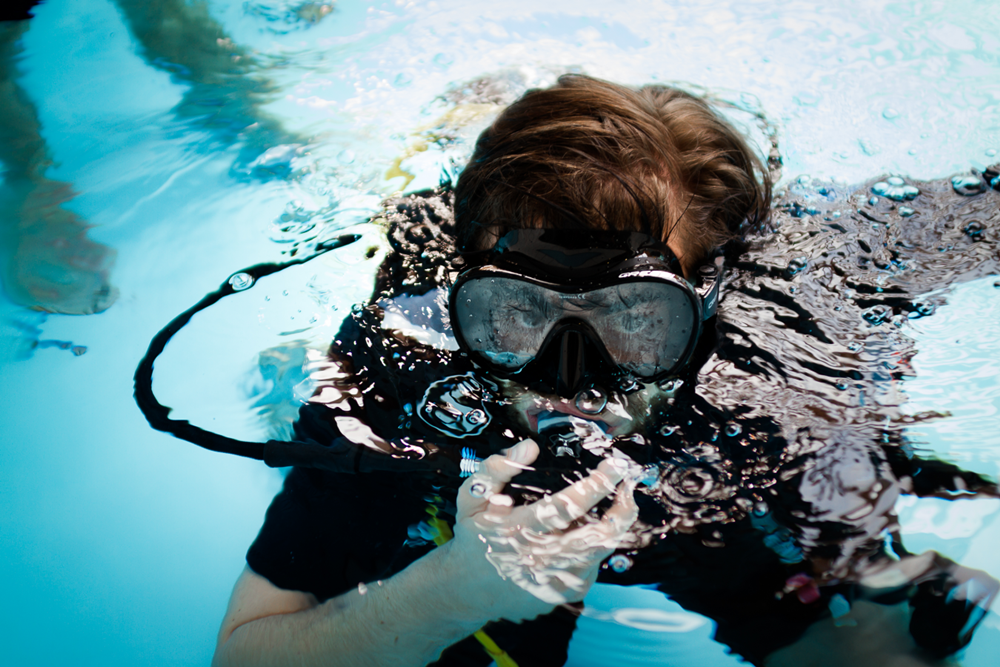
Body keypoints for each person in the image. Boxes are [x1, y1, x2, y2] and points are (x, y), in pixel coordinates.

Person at [209, 75, 999, 666]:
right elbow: (243, 652)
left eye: (634, 320)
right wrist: (451, 591)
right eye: (516, 312)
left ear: (707, 299)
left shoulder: (795, 305)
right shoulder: (403, 374)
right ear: (466, 304)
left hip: (712, 489)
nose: (569, 380)